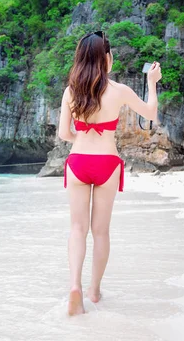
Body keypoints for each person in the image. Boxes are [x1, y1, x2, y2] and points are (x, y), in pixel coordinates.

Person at [57, 30, 162, 316]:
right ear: (107, 58)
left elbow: (63, 133)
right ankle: (94, 291)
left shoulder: (70, 92)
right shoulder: (119, 90)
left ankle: (74, 287)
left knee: (77, 229)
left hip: (78, 161)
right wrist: (152, 83)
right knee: (100, 231)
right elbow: (150, 113)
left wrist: (83, 135)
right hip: (107, 164)